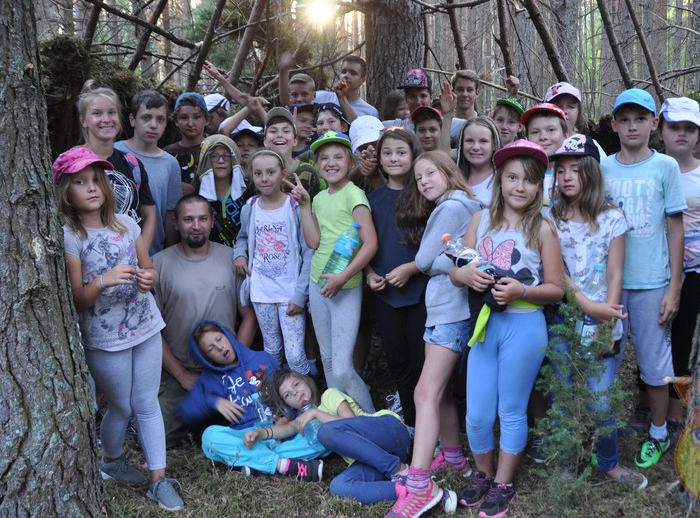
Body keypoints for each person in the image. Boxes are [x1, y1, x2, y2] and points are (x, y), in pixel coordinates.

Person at [54, 147, 184, 511]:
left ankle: (159, 480)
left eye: (97, 180)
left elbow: (148, 268)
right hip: (105, 337)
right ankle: (111, 461)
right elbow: (77, 299)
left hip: (145, 325)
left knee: (147, 402)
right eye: (81, 182)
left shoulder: (126, 224)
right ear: (65, 191)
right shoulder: (71, 236)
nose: (92, 188)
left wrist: (148, 278)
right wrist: (104, 281)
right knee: (121, 406)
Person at [448, 139, 565, 517]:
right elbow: (457, 268)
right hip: (487, 325)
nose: (519, 186)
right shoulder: (480, 220)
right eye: (512, 177)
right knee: (478, 413)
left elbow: (557, 289)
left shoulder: (542, 229)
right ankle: (483, 473)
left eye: (529, 180)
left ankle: (503, 482)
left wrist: (522, 290)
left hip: (525, 326)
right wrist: (467, 276)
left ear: (539, 187)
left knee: (512, 409)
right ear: (499, 180)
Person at [548, 133, 648, 489]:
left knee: (601, 400)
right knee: (563, 394)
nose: (567, 177)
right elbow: (557, 272)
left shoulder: (613, 218)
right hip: (563, 318)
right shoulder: (551, 218)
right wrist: (587, 305)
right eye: (561, 171)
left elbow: (616, 272)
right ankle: (566, 463)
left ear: (591, 171)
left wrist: (608, 319)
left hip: (604, 316)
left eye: (575, 169)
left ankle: (609, 463)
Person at [386, 151, 482, 518]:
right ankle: (453, 457)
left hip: (451, 313)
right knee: (438, 393)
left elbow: (424, 260)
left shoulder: (452, 207)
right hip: (445, 309)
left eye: (430, 173)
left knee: (425, 392)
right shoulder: (458, 205)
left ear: (448, 172)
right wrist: (458, 258)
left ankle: (420, 486)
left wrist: (455, 259)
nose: (424, 181)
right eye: (419, 177)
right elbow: (461, 256)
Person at [601, 89, 687, 469]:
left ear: (654, 124)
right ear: (614, 125)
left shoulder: (665, 167)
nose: (632, 126)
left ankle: (658, 431)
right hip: (611, 284)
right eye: (625, 119)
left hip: (652, 282)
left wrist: (674, 287)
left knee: (654, 365)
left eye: (640, 119)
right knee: (606, 360)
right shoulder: (603, 168)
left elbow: (676, 228)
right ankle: (604, 432)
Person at [152, 194, 257, 447]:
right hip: (180, 368)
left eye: (202, 219)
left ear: (212, 221)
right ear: (176, 223)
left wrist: (236, 363)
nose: (196, 226)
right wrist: (181, 375)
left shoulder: (232, 259)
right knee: (161, 438)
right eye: (188, 219)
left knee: (252, 424)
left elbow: (249, 316)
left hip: (227, 369)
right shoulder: (159, 264)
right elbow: (151, 330)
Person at [177, 321, 325, 481]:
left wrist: (286, 416)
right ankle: (283, 465)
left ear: (227, 336)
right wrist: (214, 401)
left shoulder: (262, 358)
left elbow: (285, 392)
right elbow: (185, 411)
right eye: (211, 348)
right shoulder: (211, 378)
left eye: (219, 339)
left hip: (279, 433)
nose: (219, 347)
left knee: (322, 432)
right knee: (209, 437)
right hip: (245, 438)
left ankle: (254, 464)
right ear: (206, 358)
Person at [262, 370, 424, 505]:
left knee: (325, 432)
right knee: (338, 486)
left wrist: (316, 413)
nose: (295, 393)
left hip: (390, 432)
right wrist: (260, 434)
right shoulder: (304, 420)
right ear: (288, 404)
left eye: (296, 384)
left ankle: (400, 470)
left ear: (306, 381)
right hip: (375, 460)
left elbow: (350, 421)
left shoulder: (329, 396)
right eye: (287, 395)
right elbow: (287, 429)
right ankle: (407, 488)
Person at [657, 98, 700, 436]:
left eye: (689, 128)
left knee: (682, 342)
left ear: (699, 135)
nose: (681, 134)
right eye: (674, 127)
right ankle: (648, 404)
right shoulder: (653, 169)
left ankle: (676, 412)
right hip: (654, 271)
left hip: (695, 273)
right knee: (653, 341)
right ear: (661, 131)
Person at [309, 132, 378, 413]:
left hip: (345, 286)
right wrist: (303, 206)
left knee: (342, 368)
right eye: (324, 158)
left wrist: (343, 277)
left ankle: (374, 422)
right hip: (317, 282)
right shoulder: (317, 198)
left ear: (351, 162)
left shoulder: (354, 194)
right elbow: (314, 242)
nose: (331, 163)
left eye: (338, 157)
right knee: (327, 362)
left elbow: (370, 244)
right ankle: (343, 421)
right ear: (316, 165)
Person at [233, 149, 319, 374]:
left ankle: (306, 392)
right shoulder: (250, 207)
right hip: (262, 292)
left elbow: (308, 251)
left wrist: (300, 295)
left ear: (283, 174)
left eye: (270, 172)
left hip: (290, 292)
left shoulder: (294, 207)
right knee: (272, 350)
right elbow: (242, 238)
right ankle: (278, 391)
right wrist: (239, 254)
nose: (264, 178)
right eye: (258, 173)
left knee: (295, 354)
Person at [364, 129, 428, 428]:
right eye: (387, 152)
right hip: (386, 295)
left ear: (414, 155)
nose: (393, 158)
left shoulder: (426, 195)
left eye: (401, 152)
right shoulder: (371, 199)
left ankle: (430, 424)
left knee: (421, 362)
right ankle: (412, 426)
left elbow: (438, 246)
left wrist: (412, 269)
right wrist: (369, 274)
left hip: (421, 293)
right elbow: (364, 245)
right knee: (398, 361)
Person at [77, 82, 157, 253]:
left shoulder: (132, 164)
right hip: (86, 257)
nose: (106, 119)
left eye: (112, 112)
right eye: (97, 113)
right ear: (84, 120)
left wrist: (139, 254)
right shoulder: (71, 162)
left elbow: (149, 214)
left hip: (130, 259)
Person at [115, 89, 182, 255]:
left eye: (160, 119)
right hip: (111, 250)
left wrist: (169, 253)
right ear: (132, 119)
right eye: (146, 118)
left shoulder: (170, 164)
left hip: (152, 254)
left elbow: (170, 212)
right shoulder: (114, 152)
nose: (153, 125)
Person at [194, 135, 253, 247]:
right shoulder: (197, 197)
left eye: (226, 155)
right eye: (214, 156)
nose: (221, 161)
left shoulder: (248, 192)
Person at [382, 69, 467, 144]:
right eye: (412, 96)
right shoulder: (395, 126)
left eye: (423, 96)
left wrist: (448, 113)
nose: (418, 102)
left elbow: (472, 128)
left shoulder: (447, 124)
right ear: (406, 99)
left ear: (431, 98)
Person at [522, 102, 569, 203]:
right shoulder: (521, 174)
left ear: (565, 135)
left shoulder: (574, 174)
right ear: (527, 138)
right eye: (535, 132)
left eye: (551, 130)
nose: (543, 137)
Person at [165, 92, 209, 195]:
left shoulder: (213, 150)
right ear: (176, 120)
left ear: (207, 119)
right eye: (184, 118)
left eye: (196, 117)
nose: (190, 123)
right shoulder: (166, 154)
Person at [312, 55, 380, 119]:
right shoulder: (319, 97)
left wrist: (342, 98)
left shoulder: (370, 113)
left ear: (363, 80)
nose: (346, 75)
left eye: (353, 73)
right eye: (343, 72)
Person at [456, 116, 501, 205]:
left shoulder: (502, 179)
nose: (476, 147)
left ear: (494, 145)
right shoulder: (453, 177)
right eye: (469, 141)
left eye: (483, 141)